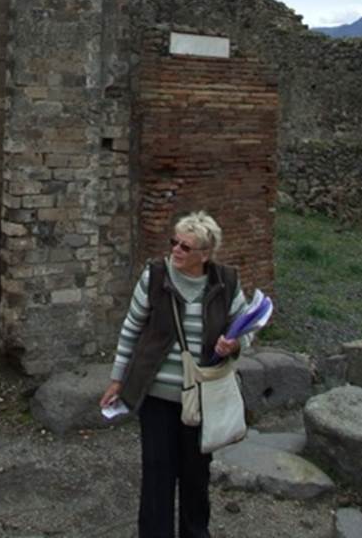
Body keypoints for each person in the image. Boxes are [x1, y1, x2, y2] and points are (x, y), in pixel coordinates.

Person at [99, 211, 251, 538]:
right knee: (157, 475)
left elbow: (247, 328)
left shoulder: (226, 282)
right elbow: (131, 328)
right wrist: (116, 379)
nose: (176, 251)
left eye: (186, 246)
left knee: (196, 476)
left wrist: (234, 343)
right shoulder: (155, 277)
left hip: (202, 397)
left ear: (205, 254)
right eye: (174, 243)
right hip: (157, 397)